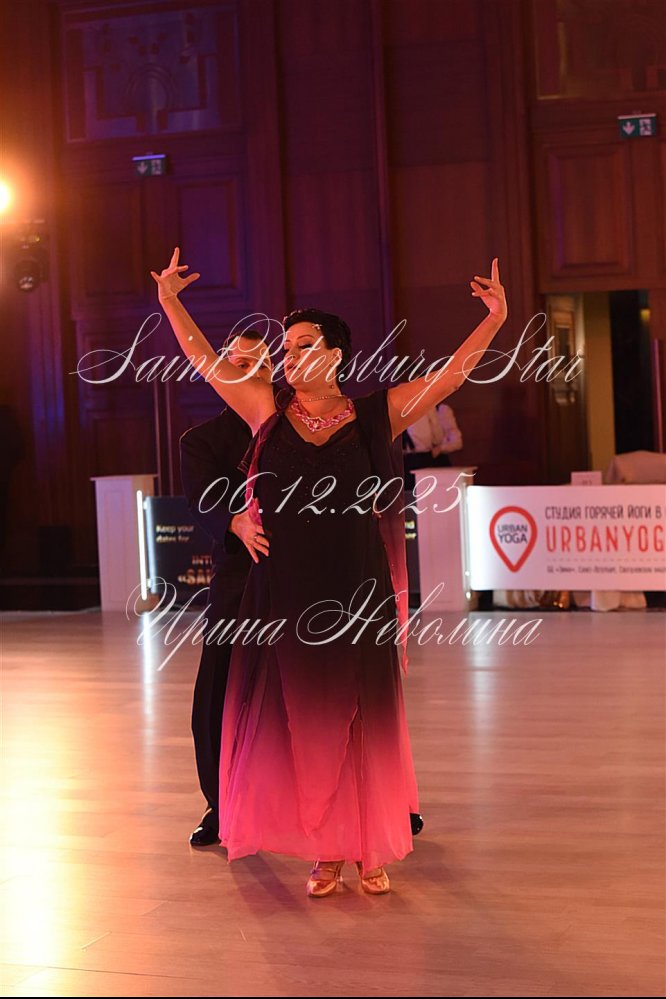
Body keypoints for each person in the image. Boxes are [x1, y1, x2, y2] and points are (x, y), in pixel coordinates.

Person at [151, 249, 507, 896]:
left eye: (303, 345)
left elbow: (451, 377)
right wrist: (171, 302)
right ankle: (326, 850)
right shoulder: (265, 409)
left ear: (336, 354)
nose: (288, 356)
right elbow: (204, 360)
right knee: (301, 720)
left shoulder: (376, 412)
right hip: (285, 591)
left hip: (356, 587)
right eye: (285, 347)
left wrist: (495, 319)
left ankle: (367, 846)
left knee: (360, 717)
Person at [179, 330, 273, 846]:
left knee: (331, 685)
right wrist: (234, 522)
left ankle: (375, 801)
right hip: (240, 571)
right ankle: (220, 803)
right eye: (240, 363)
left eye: (262, 363)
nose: (252, 372)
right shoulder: (203, 440)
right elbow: (204, 502)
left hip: (305, 572)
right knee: (218, 687)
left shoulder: (293, 423)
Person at [402, 401, 463, 493]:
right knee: (409, 495)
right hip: (406, 462)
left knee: (435, 493)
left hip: (430, 459)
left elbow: (455, 441)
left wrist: (440, 448)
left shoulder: (439, 409)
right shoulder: (402, 409)